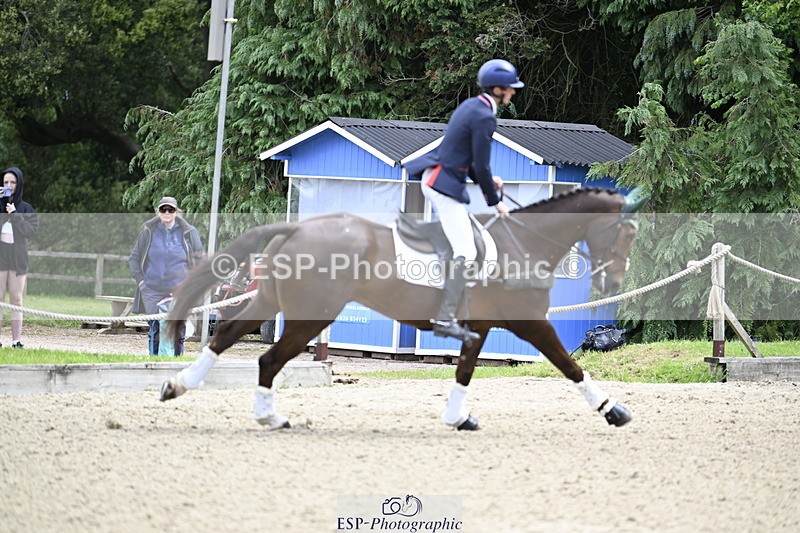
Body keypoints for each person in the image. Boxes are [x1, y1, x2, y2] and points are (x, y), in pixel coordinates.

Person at [403, 59, 522, 343]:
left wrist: (488, 179)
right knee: (467, 253)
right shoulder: (484, 116)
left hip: (439, 177)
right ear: (497, 89)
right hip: (442, 184)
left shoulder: (472, 106)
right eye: (510, 88)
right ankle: (444, 318)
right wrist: (495, 202)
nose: (513, 93)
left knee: (465, 244)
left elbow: (461, 155)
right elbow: (480, 165)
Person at [129, 196, 204, 355]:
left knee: (178, 329)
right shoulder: (148, 231)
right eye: (164, 209)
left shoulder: (189, 232)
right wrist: (141, 282)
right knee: (155, 329)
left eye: (171, 209)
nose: (167, 212)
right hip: (153, 289)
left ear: (176, 212)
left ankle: (177, 364)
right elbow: (134, 258)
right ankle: (154, 363)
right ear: (158, 211)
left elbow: (200, 259)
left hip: (179, 289)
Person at [0, 167, 39, 348]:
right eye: (6, 182)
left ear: (19, 184)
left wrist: (15, 215)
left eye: (12, 182)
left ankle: (16, 340)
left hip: (18, 258)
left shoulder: (26, 208)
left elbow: (31, 231)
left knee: (16, 299)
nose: (9, 185)